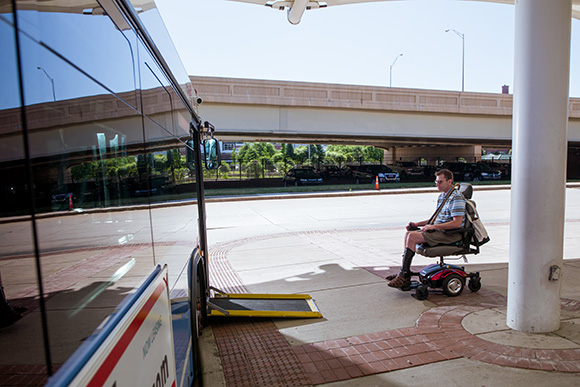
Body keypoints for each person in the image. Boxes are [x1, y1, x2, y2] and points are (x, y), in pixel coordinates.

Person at [387, 169, 466, 288]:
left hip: (450, 233)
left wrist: (433, 226)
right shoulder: (442, 196)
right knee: (409, 233)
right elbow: (435, 219)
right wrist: (417, 224)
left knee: (412, 237)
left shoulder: (456, 197)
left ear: (450, 181)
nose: (437, 184)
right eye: (436, 181)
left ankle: (404, 275)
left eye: (440, 181)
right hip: (440, 230)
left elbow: (457, 223)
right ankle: (405, 272)